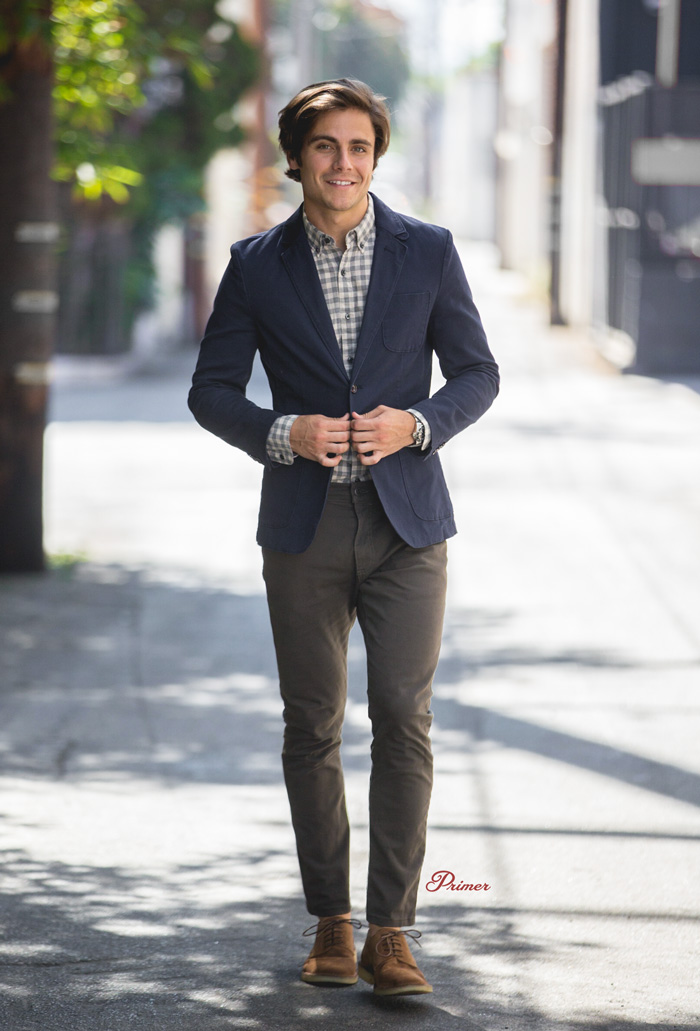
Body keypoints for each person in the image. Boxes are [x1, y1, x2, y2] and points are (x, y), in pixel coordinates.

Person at [188, 78, 499, 997]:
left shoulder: (429, 252)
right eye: (326, 146)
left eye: (360, 146)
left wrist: (421, 423)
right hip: (304, 524)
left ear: (377, 155)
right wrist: (285, 433)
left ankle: (393, 932)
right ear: (297, 157)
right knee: (311, 724)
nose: (344, 163)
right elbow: (211, 390)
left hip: (409, 523)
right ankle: (332, 919)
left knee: (405, 719)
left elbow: (477, 372)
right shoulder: (254, 263)